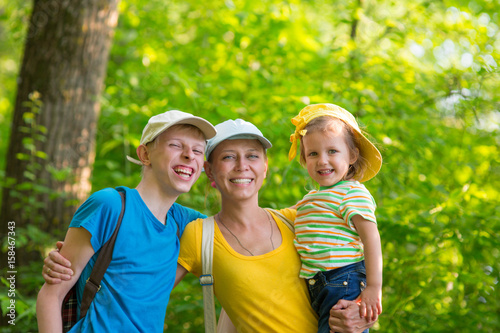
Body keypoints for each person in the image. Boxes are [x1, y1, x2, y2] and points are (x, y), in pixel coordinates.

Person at [44, 118, 375, 332]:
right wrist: (65, 263)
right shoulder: (197, 233)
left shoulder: (299, 219)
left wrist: (360, 310)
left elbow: (349, 266)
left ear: (265, 169)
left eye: (253, 155)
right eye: (228, 156)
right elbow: (136, 283)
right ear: (211, 173)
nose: (242, 166)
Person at [36, 110, 216, 332]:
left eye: (198, 150)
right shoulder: (110, 205)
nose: (190, 155)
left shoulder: (186, 223)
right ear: (145, 155)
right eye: (176, 145)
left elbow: (239, 226)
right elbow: (51, 296)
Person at [288, 103, 383, 333]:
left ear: (351, 155)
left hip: (343, 279)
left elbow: (371, 239)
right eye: (313, 153)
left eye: (332, 151)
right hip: (318, 285)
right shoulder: (311, 199)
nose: (322, 160)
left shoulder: (352, 192)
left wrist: (373, 287)